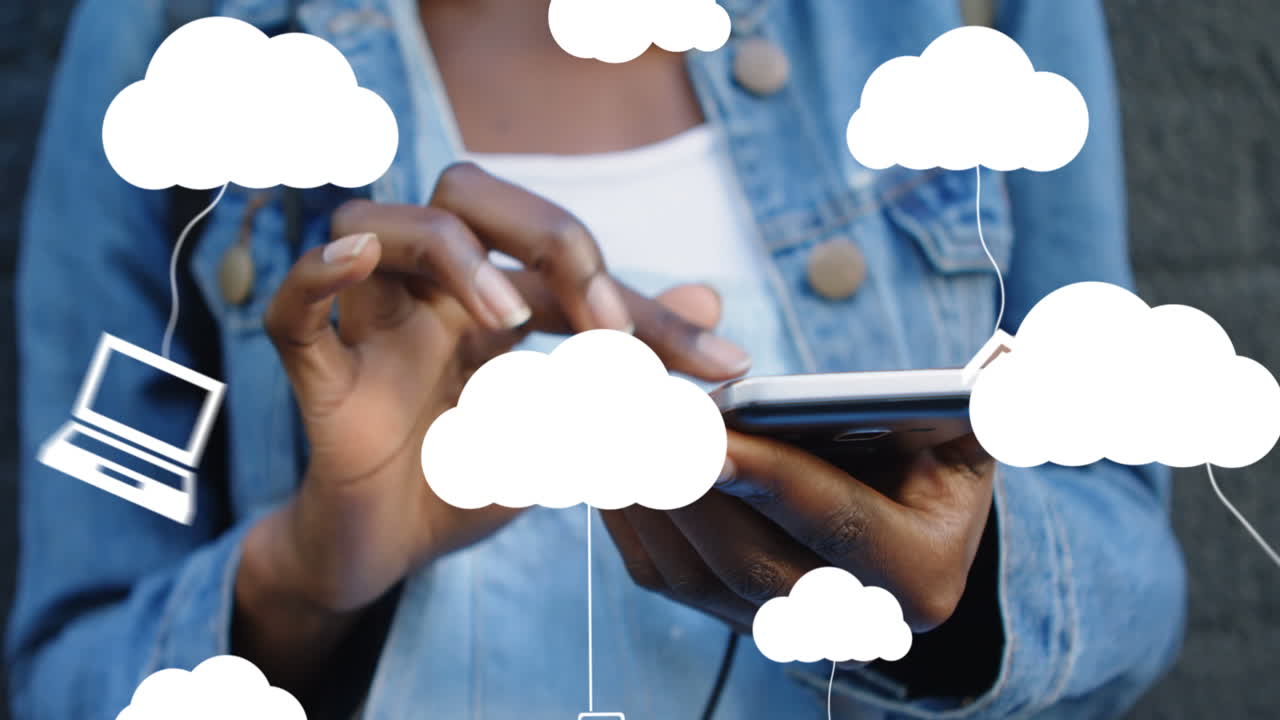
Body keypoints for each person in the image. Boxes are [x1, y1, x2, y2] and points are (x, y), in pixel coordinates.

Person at [7, 0, 1186, 718]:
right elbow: (66, 671)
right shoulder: (177, 34)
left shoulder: (971, 18)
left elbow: (1128, 567)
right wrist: (303, 577)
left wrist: (968, 589)